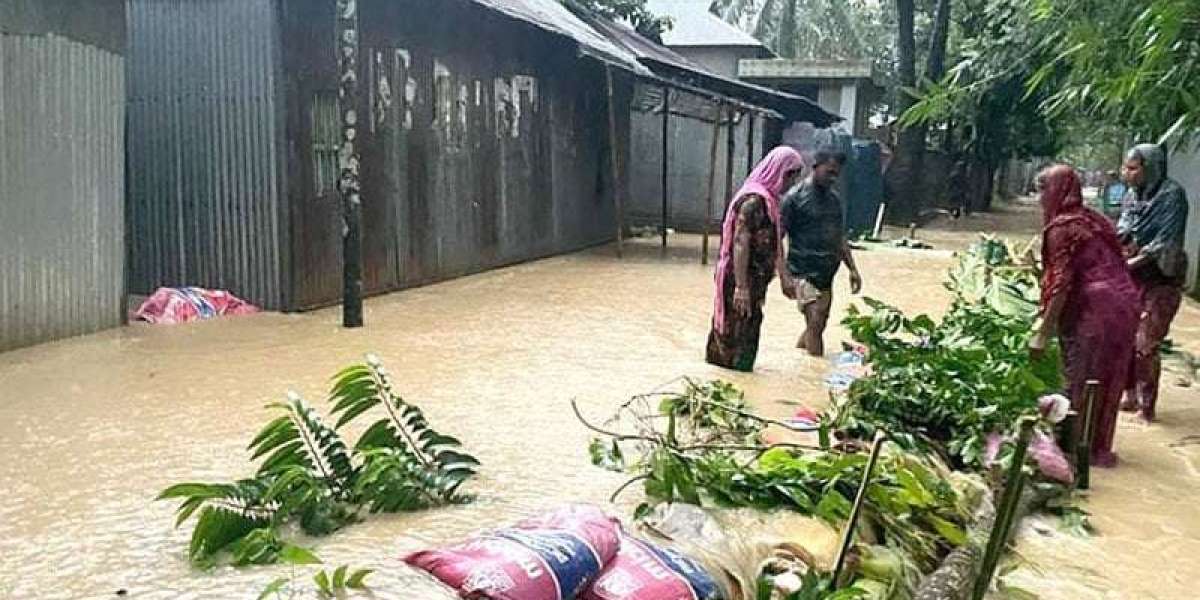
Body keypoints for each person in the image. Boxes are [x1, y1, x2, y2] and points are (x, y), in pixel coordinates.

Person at [1029, 165, 1139, 468]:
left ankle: (1077, 454)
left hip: (1096, 309)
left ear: (1057, 190)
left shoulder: (1062, 228)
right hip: (1126, 304)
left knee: (1082, 376)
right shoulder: (1094, 219)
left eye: (1042, 189)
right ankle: (1097, 447)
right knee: (1107, 379)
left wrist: (1042, 332)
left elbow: (1062, 284)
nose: (1040, 198)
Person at [706, 146, 807, 372]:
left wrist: (784, 276)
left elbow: (774, 241)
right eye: (791, 176)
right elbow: (740, 242)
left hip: (756, 280)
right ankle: (730, 377)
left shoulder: (769, 202)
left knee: (749, 324)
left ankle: (738, 376)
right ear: (781, 172)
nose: (792, 183)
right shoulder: (753, 202)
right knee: (736, 328)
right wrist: (741, 287)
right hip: (740, 278)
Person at [1117, 144, 1190, 422]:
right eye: (1127, 168)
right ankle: (1129, 394)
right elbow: (1123, 231)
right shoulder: (1131, 196)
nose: (1127, 174)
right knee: (1124, 334)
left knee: (1146, 343)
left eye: (1133, 168)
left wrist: (1129, 263)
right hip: (1133, 275)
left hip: (1161, 277)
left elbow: (1164, 242)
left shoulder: (1172, 196)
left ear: (1151, 168)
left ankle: (1147, 408)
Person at [779, 148, 862, 357]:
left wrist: (852, 269)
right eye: (829, 172)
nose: (833, 178)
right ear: (815, 167)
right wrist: (784, 276)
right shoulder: (793, 199)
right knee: (815, 323)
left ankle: (800, 358)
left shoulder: (834, 200)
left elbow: (840, 237)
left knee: (818, 324)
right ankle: (816, 375)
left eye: (836, 174)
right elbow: (776, 239)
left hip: (826, 274)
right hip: (802, 271)